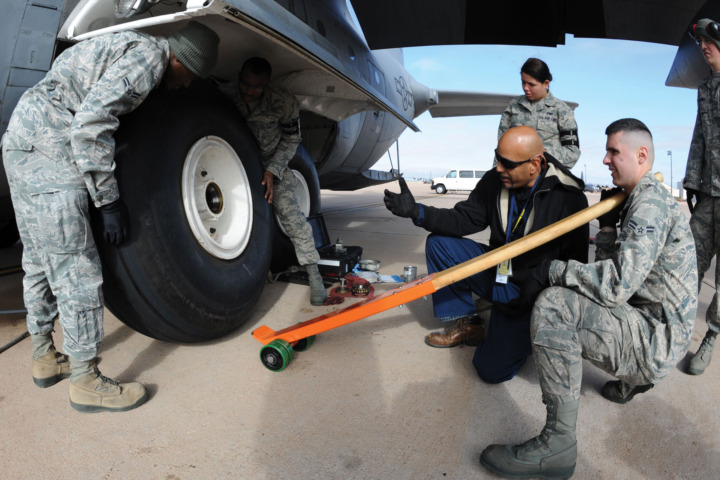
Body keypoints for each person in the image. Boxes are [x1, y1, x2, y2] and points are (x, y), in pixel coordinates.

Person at [1, 21, 220, 412]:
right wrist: (109, 202)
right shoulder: (149, 60)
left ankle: (44, 356)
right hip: (51, 146)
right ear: (180, 59)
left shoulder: (131, 44)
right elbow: (89, 127)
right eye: (191, 76)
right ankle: (85, 380)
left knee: (38, 258)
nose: (187, 85)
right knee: (75, 266)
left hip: (23, 140)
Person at [480, 119, 698, 479]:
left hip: (655, 340)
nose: (605, 160)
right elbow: (613, 279)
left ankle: (557, 446)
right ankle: (632, 382)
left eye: (614, 151)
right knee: (581, 292)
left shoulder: (649, 205)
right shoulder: (638, 198)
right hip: (657, 326)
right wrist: (609, 228)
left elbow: (615, 286)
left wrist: (553, 270)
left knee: (555, 305)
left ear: (641, 155)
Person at [383, 126, 588, 384]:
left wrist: (539, 306)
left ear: (535, 164)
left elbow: (577, 268)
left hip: (531, 292)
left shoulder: (569, 199)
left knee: (490, 370)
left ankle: (520, 332)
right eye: (497, 158)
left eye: (508, 163)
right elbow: (464, 218)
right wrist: (418, 212)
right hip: (498, 271)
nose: (499, 168)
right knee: (439, 244)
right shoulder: (496, 180)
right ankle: (468, 324)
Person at [218, 57, 326, 306]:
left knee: (293, 219)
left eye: (256, 87)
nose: (249, 91)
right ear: (239, 77)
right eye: (246, 84)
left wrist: (273, 170)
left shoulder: (283, 102)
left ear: (266, 84)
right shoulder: (226, 93)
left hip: (270, 164)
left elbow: (291, 140)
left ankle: (313, 274)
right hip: (234, 163)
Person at [684, 18, 720, 376]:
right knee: (688, 260)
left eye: (708, 41)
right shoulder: (705, 88)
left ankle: (712, 334)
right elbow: (699, 138)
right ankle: (680, 327)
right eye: (700, 43)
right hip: (710, 192)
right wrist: (692, 182)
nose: (703, 47)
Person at [498, 58, 580, 169]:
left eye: (532, 84)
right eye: (523, 82)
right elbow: (501, 147)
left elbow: (572, 153)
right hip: (515, 175)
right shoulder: (514, 106)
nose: (526, 88)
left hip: (548, 175)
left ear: (546, 83)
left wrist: (543, 155)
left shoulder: (562, 110)